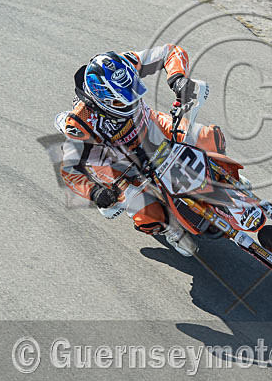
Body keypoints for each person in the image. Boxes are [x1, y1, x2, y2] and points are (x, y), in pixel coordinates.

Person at [54, 44, 226, 256]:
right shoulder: (79, 122)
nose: (132, 100)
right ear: (102, 101)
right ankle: (170, 227)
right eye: (122, 99)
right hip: (117, 162)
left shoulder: (123, 64)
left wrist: (178, 78)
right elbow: (70, 172)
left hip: (150, 126)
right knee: (150, 216)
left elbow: (169, 52)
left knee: (210, 138)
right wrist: (96, 192)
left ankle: (223, 175)